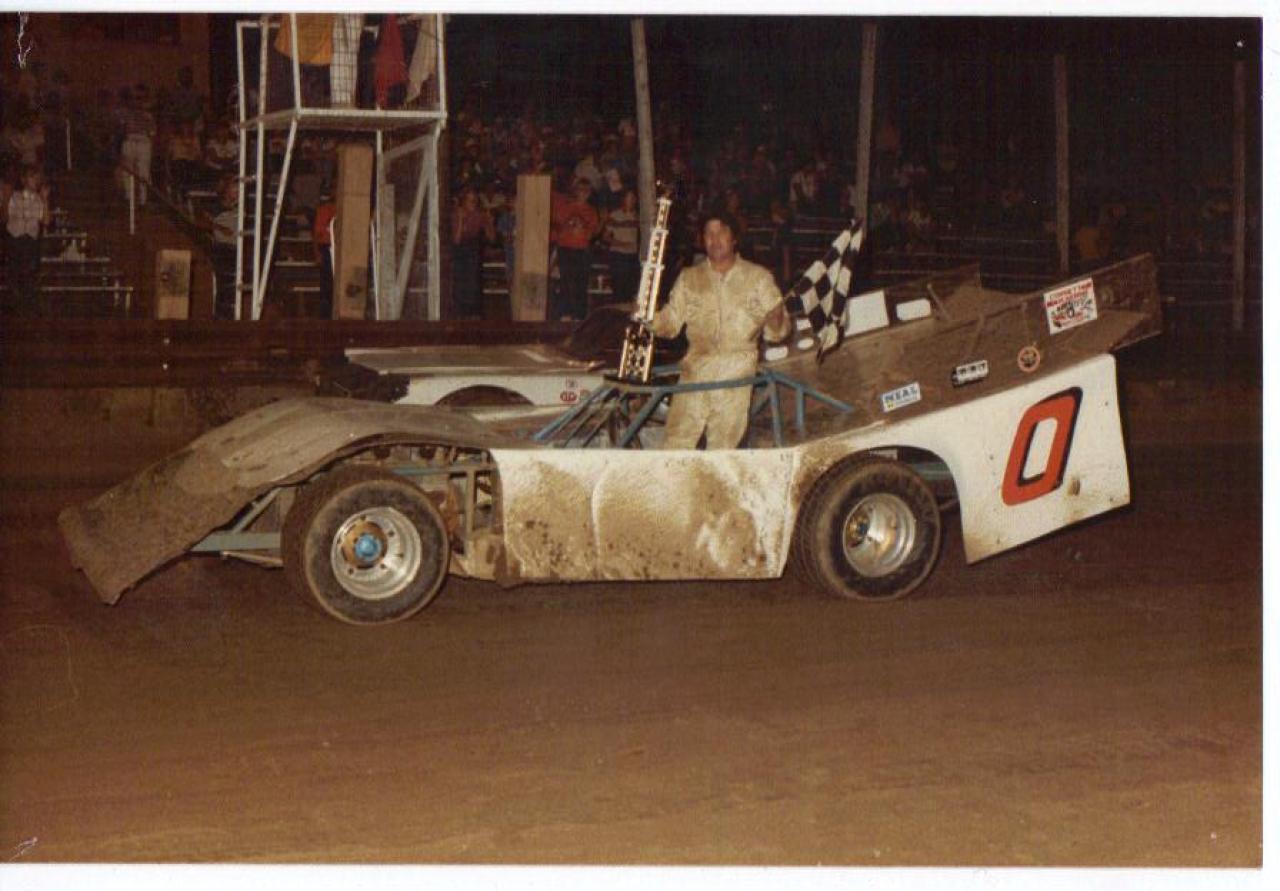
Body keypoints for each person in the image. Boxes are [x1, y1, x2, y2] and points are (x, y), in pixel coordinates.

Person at [648, 210, 791, 450]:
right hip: (694, 371)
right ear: (702, 240)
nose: (715, 240)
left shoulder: (758, 278)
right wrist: (647, 318)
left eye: (721, 232)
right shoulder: (689, 278)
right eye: (708, 234)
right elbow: (670, 324)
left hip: (736, 372)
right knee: (675, 446)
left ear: (734, 238)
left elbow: (778, 332)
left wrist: (776, 319)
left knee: (723, 450)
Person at [550, 177, 600, 321]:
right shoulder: (565, 207)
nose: (583, 193)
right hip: (565, 247)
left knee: (581, 282)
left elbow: (592, 232)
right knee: (566, 281)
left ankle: (579, 315)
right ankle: (565, 313)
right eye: (581, 190)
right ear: (576, 191)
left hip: (582, 250)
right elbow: (556, 226)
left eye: (587, 191)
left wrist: (583, 228)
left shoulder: (591, 211)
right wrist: (568, 226)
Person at [5, 166, 52, 316]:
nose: (36, 181)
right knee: (15, 274)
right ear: (24, 180)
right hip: (16, 239)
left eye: (37, 178)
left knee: (30, 274)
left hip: (30, 241)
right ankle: (15, 304)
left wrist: (45, 199)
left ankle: (28, 306)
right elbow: (6, 217)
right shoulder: (14, 196)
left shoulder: (39, 199)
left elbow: (46, 221)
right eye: (32, 177)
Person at [450, 186, 493, 319]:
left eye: (474, 200)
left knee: (474, 282)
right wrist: (461, 220)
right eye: (469, 200)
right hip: (460, 252)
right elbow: (456, 240)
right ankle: (460, 313)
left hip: (473, 251)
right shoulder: (457, 213)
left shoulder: (480, 215)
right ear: (464, 201)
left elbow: (492, 238)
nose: (472, 203)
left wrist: (489, 223)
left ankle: (473, 313)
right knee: (460, 283)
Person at [601, 187, 640, 305]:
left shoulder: (637, 216)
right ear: (623, 199)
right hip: (618, 255)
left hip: (632, 255)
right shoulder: (615, 215)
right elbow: (605, 237)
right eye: (629, 198)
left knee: (630, 288)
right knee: (618, 287)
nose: (631, 201)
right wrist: (621, 244)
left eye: (633, 198)